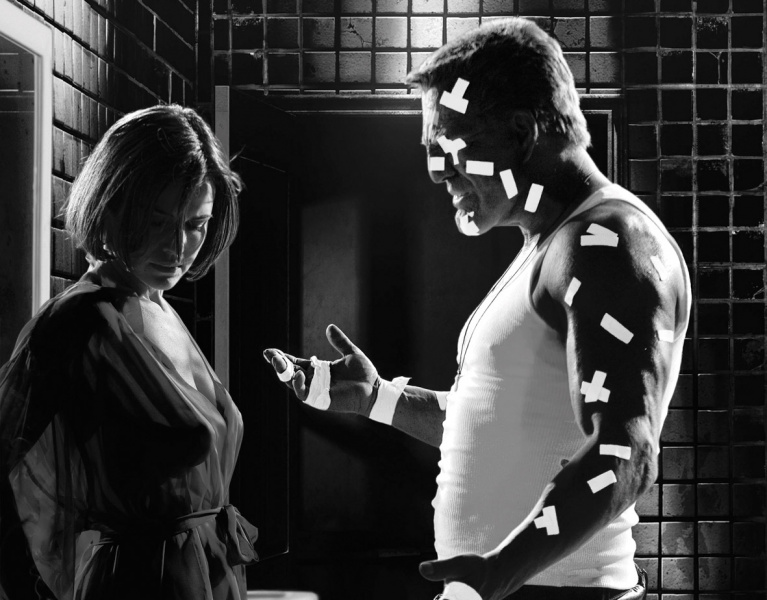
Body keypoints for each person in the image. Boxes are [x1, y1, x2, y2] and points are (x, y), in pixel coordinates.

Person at [265, 17, 690, 600]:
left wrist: (504, 570)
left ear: (521, 132)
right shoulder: (550, 244)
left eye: (451, 148)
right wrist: (379, 398)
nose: (439, 173)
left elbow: (626, 453)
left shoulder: (605, 243)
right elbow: (500, 427)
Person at [0, 105, 258, 600]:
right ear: (113, 205)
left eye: (196, 224)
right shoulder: (78, 320)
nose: (178, 247)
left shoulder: (159, 306)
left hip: (207, 578)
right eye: (158, 221)